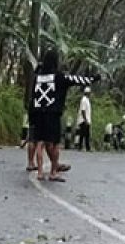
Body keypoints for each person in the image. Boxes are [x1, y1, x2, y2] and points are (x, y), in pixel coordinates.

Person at [30, 48, 96, 181]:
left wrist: (32, 114)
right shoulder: (59, 77)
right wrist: (94, 78)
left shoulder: (38, 78)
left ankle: (40, 172)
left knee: (40, 143)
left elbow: (33, 96)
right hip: (52, 115)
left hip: (38, 114)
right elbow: (77, 79)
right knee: (54, 144)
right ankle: (54, 171)